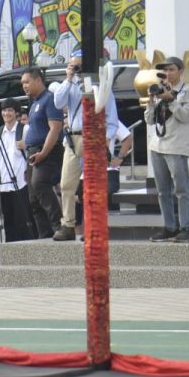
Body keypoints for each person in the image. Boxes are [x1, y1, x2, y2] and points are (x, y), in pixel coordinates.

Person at [51, 54, 120, 240]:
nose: (76, 70)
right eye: (72, 66)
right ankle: (68, 224)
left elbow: (112, 120)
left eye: (78, 67)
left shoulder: (101, 87)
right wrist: (68, 79)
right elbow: (58, 103)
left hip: (92, 139)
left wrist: (104, 139)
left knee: (92, 186)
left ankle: (94, 225)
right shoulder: (70, 86)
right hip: (73, 140)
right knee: (66, 184)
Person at [144, 56, 189, 243]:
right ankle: (169, 227)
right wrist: (152, 101)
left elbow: (185, 116)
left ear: (181, 71)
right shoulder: (160, 91)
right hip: (157, 145)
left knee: (182, 190)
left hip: (176, 146)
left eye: (172, 69)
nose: (168, 74)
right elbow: (150, 120)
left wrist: (171, 100)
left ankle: (186, 228)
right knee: (162, 191)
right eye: (165, 70)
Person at [22, 67, 63, 239]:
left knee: (40, 184)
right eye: (22, 83)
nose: (24, 86)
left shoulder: (50, 99)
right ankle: (44, 234)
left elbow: (55, 128)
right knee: (33, 196)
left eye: (27, 82)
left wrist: (44, 152)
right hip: (32, 152)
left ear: (38, 80)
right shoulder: (34, 102)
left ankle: (58, 226)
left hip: (47, 152)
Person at [0, 99, 35, 244]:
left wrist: (26, 146)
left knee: (23, 217)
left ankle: (26, 247)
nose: (6, 113)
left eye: (10, 110)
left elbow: (34, 152)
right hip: (4, 183)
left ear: (16, 113)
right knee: (8, 219)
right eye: (4, 110)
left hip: (21, 181)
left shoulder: (25, 129)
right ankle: (10, 249)